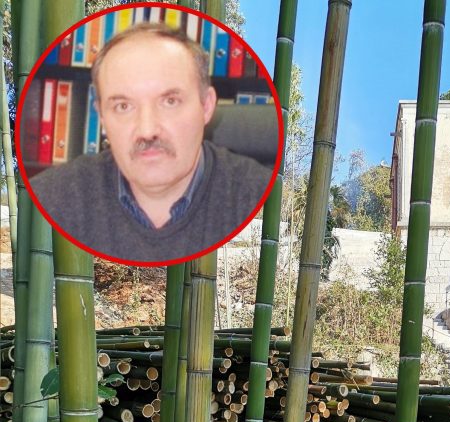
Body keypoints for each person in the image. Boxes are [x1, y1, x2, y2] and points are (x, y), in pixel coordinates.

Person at [29, 22, 274, 263]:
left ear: (207, 106)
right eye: (123, 106)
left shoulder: (251, 191)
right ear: (101, 115)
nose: (147, 131)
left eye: (170, 101)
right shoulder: (54, 195)